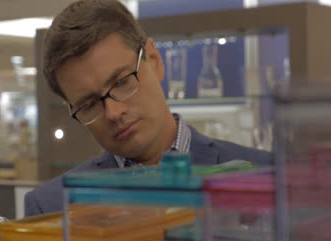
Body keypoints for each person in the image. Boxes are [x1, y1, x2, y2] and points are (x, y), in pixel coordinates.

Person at [24, 0, 272, 217]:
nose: (113, 112)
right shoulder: (52, 206)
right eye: (89, 104)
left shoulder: (264, 176)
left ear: (154, 61)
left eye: (122, 82)